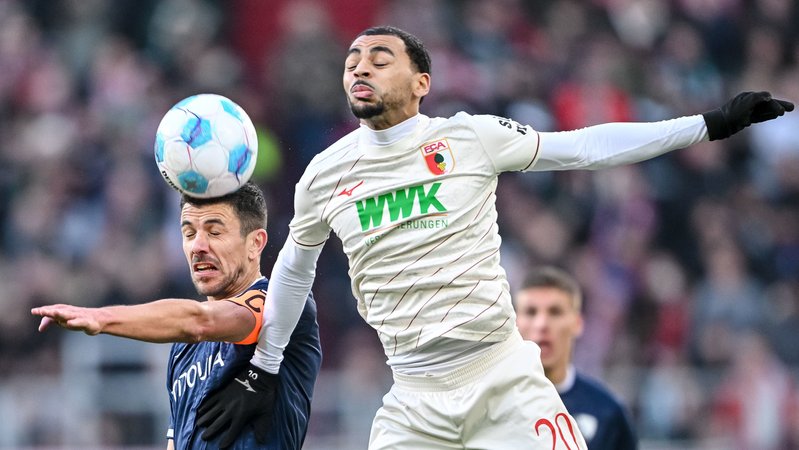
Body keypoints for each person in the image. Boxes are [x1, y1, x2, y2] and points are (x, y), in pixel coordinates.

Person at [196, 26, 793, 449]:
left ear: (422, 81)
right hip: (412, 397)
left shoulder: (470, 138)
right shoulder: (324, 174)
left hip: (502, 378)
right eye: (353, 58)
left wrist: (708, 125)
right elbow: (295, 271)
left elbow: (584, 147)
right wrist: (262, 369)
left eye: (380, 58)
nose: (360, 67)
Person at [31, 182, 322, 450]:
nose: (198, 246)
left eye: (215, 231)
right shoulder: (183, 350)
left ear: (255, 243)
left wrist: (101, 319)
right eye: (189, 233)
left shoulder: (281, 304)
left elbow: (199, 321)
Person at [515, 266, 638, 450]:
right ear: (515, 323)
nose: (542, 324)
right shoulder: (490, 405)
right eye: (531, 312)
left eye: (555, 312)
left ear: (577, 323)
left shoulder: (607, 412)